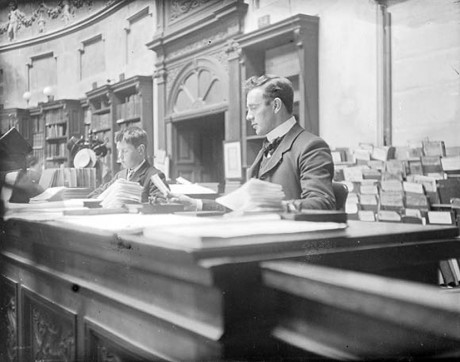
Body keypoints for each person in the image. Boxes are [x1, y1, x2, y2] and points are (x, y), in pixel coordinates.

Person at [171, 74, 336, 211]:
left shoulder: (310, 146)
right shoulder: (265, 148)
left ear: (276, 105)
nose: (248, 116)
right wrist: (197, 204)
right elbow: (243, 204)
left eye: (253, 108)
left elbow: (322, 203)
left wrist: (276, 207)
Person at [88, 126, 167, 203]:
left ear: (140, 150)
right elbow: (93, 195)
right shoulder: (120, 175)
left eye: (125, 151)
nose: (120, 156)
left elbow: (162, 204)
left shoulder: (155, 176)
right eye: (119, 151)